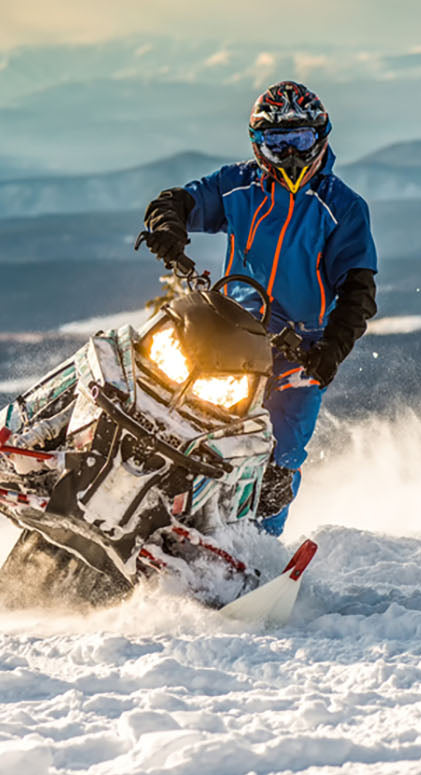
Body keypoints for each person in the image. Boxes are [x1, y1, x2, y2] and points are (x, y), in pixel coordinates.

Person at [140, 80, 377, 536]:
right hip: (229, 328)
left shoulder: (342, 207)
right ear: (258, 144)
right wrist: (167, 223)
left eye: (300, 140)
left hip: (300, 347)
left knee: (280, 452)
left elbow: (358, 286)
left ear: (320, 137)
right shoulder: (239, 185)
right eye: (277, 142)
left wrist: (332, 349)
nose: (289, 154)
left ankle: (255, 547)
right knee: (157, 387)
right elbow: (183, 199)